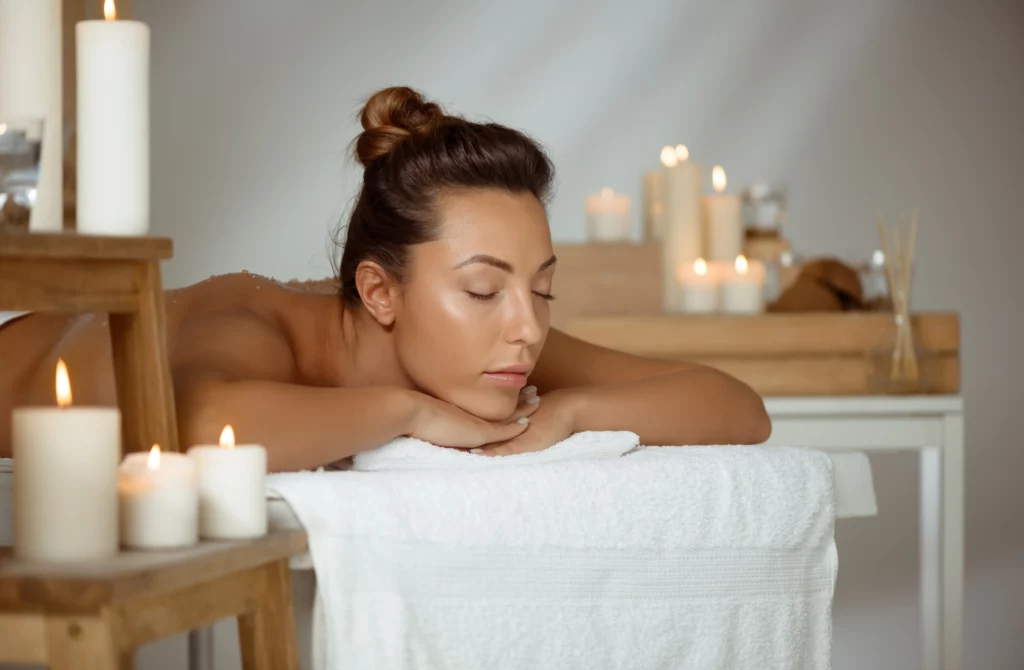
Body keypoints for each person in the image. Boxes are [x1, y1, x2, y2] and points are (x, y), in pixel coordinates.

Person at [0, 86, 770, 469]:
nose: (528, 326)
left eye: (542, 287)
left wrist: (575, 411)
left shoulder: (492, 341)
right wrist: (408, 412)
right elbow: (198, 425)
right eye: (482, 288)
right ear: (379, 293)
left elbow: (737, 405)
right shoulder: (251, 325)